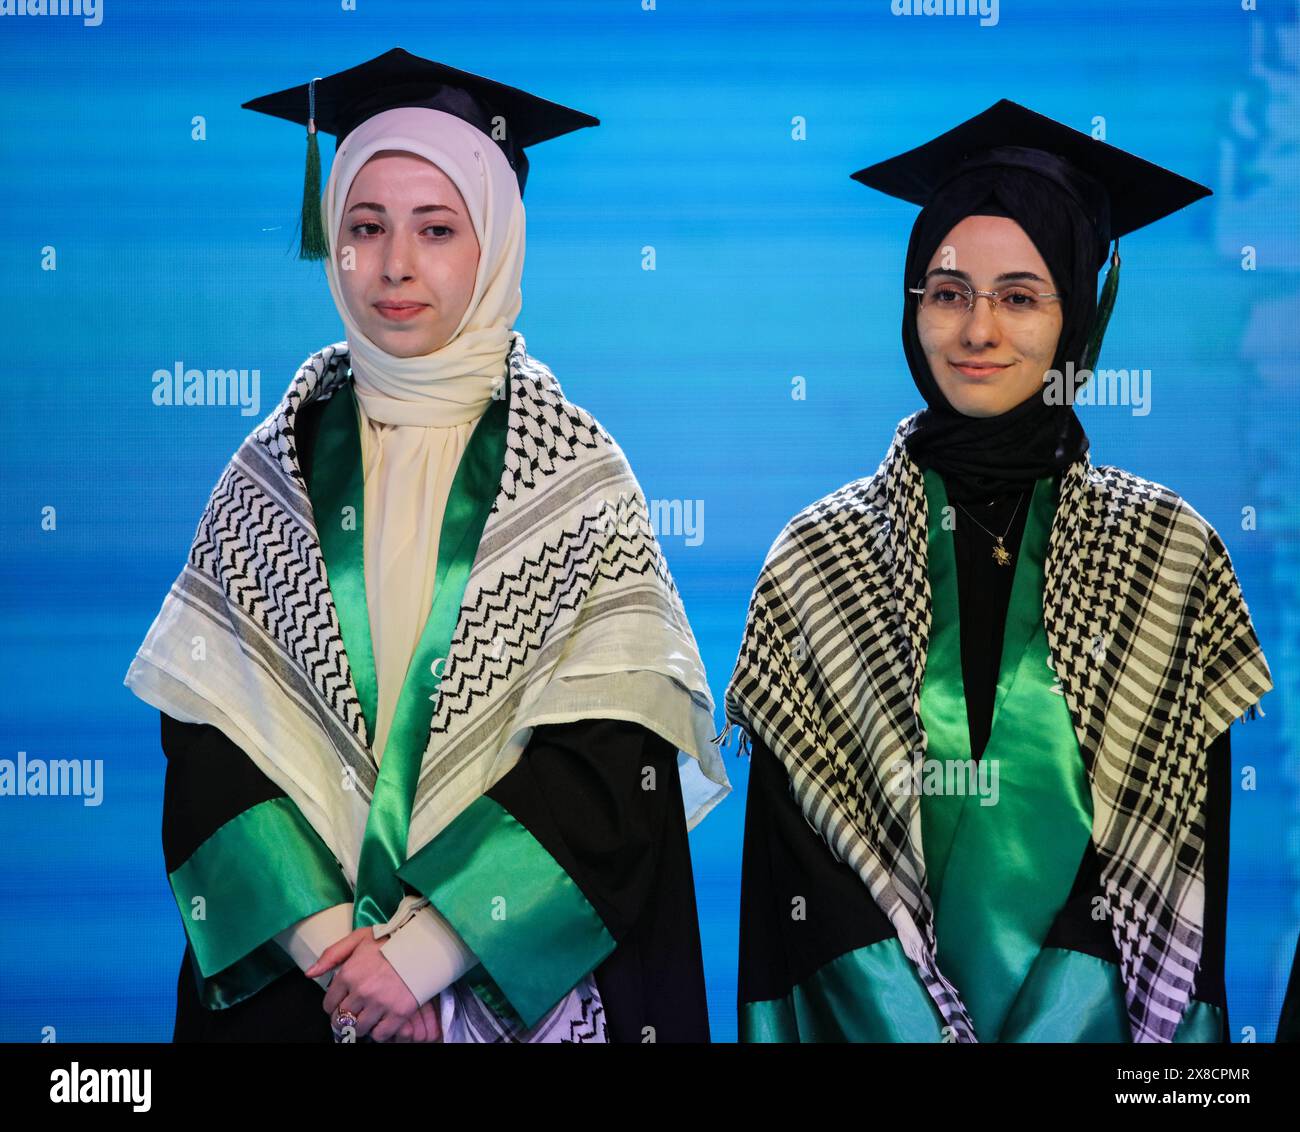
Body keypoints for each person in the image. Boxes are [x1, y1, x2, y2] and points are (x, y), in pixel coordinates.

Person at [125, 47, 730, 1044]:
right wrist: (338, 956)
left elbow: (614, 760)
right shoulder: (267, 475)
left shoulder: (575, 477)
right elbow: (209, 743)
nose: (395, 265)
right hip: (306, 985)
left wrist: (425, 955)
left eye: (437, 229)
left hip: (511, 985)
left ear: (494, 243)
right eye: (364, 228)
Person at [723, 100, 1273, 1044]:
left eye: (1020, 296)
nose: (978, 329)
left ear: (1079, 319)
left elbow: (1185, 878)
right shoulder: (816, 558)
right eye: (947, 292)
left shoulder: (1171, 556)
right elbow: (798, 894)